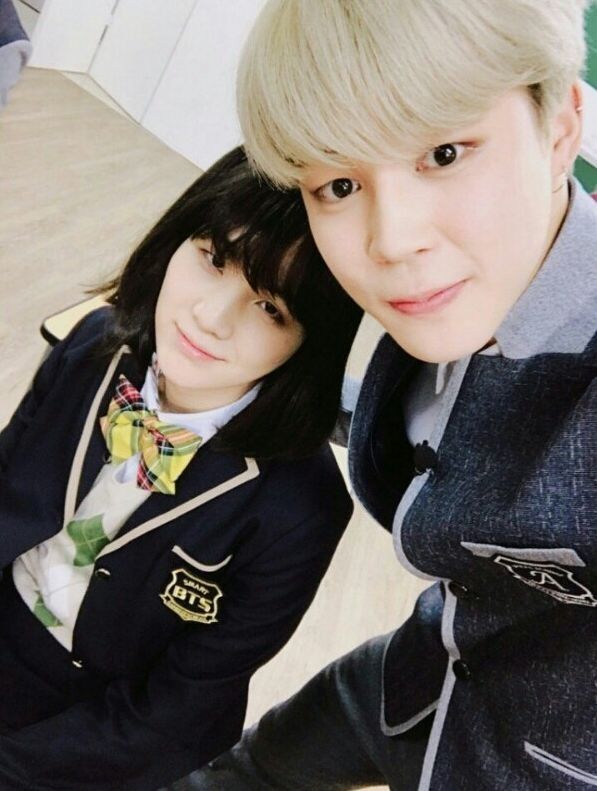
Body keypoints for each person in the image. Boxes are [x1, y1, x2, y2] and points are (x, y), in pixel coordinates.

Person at [170, 1, 597, 789]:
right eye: (338, 183)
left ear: (560, 128)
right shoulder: (470, 287)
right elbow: (439, 421)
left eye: (443, 152)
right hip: (416, 675)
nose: (390, 239)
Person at [0, 145, 362, 789]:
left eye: (271, 308)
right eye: (213, 258)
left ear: (314, 341)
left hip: (88, 726)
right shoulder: (92, 345)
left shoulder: (301, 510)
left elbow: (177, 712)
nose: (210, 318)